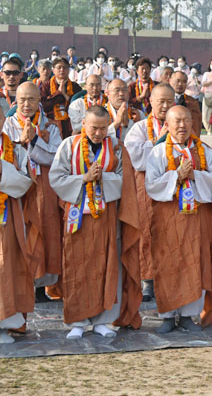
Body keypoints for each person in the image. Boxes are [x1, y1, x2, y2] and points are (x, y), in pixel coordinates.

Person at [48, 106, 137, 339]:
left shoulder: (116, 147)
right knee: (76, 265)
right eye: (93, 128)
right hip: (77, 216)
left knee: (106, 264)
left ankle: (102, 320)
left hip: (105, 215)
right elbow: (56, 178)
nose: (98, 133)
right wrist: (84, 179)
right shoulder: (69, 145)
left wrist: (103, 178)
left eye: (102, 128)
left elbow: (125, 180)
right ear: (84, 125)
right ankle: (78, 321)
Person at [145, 105, 212, 333]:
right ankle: (168, 315)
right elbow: (151, 185)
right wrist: (176, 176)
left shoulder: (205, 151)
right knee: (168, 262)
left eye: (186, 121)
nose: (182, 126)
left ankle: (189, 315)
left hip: (197, 218)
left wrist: (194, 175)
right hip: (169, 218)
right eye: (176, 121)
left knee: (194, 262)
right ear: (167, 125)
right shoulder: (159, 152)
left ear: (193, 123)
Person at [5, 82, 63, 300]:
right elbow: (7, 154)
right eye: (22, 100)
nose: (26, 104)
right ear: (15, 101)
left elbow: (54, 157)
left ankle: (41, 286)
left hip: (44, 188)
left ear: (39, 100)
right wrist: (21, 142)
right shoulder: (9, 125)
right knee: (22, 230)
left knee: (46, 230)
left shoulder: (51, 126)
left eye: (31, 99)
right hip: (19, 188)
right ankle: (22, 281)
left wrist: (35, 139)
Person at [122, 84, 175, 301]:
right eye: (160, 101)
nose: (164, 106)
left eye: (169, 101)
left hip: (173, 186)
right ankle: (147, 280)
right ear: (150, 102)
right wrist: (157, 141)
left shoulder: (180, 126)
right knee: (146, 232)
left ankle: (169, 277)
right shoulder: (140, 127)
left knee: (171, 232)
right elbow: (134, 156)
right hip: (145, 187)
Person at [0, 131, 38, 344]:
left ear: (3, 120)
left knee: (7, 266)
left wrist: (3, 171)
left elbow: (27, 181)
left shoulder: (15, 150)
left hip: (9, 215)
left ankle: (4, 324)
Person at [40, 57, 81, 139]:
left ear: (69, 70)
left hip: (71, 126)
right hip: (51, 125)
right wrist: (57, 93)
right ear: (53, 70)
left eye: (65, 67)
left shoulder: (75, 87)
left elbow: (79, 107)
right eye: (59, 67)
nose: (62, 70)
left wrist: (65, 94)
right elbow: (43, 106)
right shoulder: (46, 86)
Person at [170, 71, 202, 137]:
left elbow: (197, 124)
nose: (180, 84)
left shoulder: (192, 102)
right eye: (177, 81)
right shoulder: (166, 100)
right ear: (170, 81)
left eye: (184, 82)